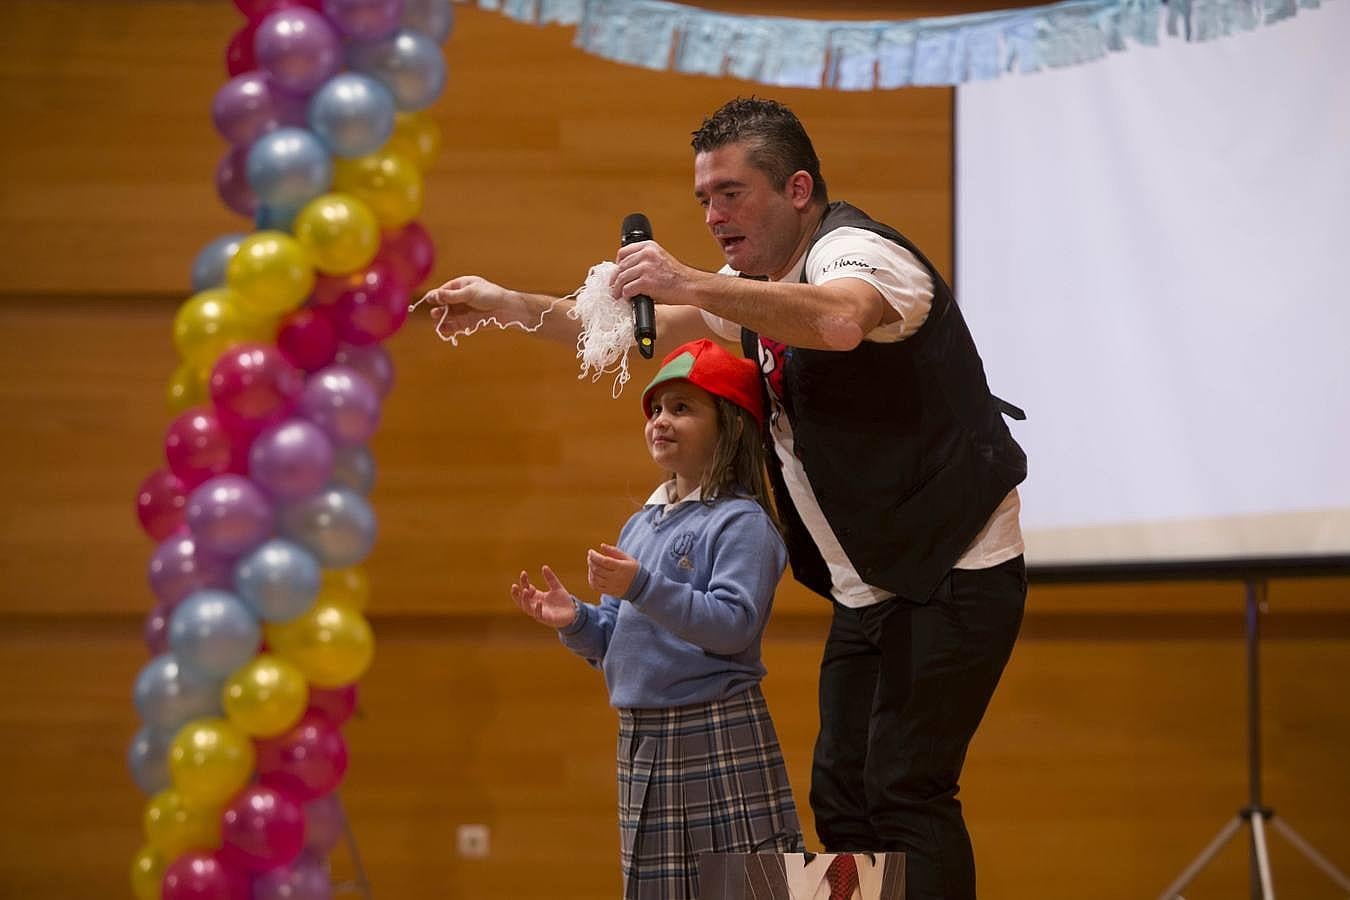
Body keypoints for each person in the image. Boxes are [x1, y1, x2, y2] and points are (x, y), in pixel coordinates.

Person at [428, 97, 1028, 900]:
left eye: (731, 193)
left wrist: (688, 278)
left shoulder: (857, 253)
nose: (712, 215)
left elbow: (843, 322)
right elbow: (607, 330)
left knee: (905, 788)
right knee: (843, 798)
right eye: (703, 198)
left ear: (798, 190)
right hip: (873, 588)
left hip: (957, 569)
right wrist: (504, 304)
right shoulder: (753, 292)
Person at [509, 338, 804, 900]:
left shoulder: (742, 523)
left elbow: (733, 624)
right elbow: (613, 641)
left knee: (744, 889)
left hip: (714, 729)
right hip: (644, 737)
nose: (660, 422)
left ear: (731, 426)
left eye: (682, 408)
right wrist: (575, 621)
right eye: (657, 409)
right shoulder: (640, 524)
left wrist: (642, 584)